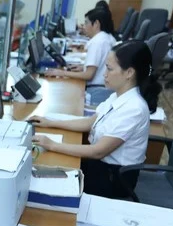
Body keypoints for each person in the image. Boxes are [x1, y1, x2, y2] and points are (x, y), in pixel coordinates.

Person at [31, 40, 160, 199]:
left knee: (47, 180)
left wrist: (52, 144)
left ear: (129, 73)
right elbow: (91, 122)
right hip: (101, 168)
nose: (104, 74)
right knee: (47, 167)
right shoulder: (117, 95)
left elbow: (98, 151)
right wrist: (51, 122)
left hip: (114, 180)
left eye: (109, 69)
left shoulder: (134, 108)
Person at [45, 8, 115, 87]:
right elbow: (99, 67)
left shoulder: (97, 42)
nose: (84, 27)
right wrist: (84, 67)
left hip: (95, 88)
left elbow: (88, 75)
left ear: (96, 23)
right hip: (103, 87)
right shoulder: (105, 38)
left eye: (86, 23)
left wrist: (62, 73)